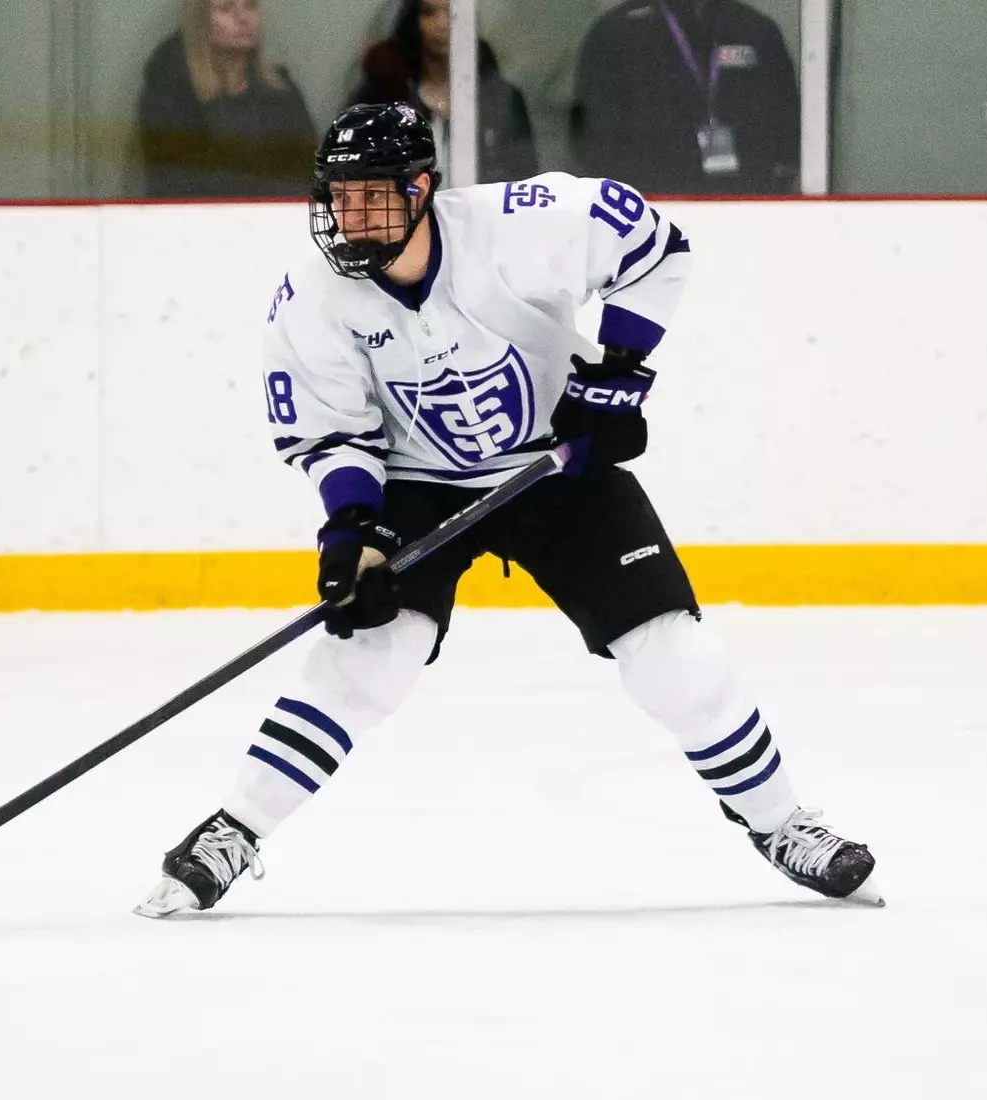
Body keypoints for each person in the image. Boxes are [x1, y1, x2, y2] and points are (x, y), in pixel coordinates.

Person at [136, 102, 878, 919]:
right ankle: (232, 831)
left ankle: (782, 825)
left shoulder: (522, 226)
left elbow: (656, 249)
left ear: (422, 189)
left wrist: (618, 371)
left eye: (370, 195)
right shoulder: (311, 301)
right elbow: (332, 434)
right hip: (418, 486)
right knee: (367, 664)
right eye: (337, 197)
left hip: (555, 466)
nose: (348, 216)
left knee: (676, 660)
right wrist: (353, 534)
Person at [569, 0, 799, 195]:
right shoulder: (615, 34)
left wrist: (765, 190)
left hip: (746, 208)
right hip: (651, 214)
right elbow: (594, 142)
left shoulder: (756, 30)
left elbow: (787, 130)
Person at [137, 0, 318, 198]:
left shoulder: (281, 91)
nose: (243, 18)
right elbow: (173, 178)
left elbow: (310, 170)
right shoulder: (172, 90)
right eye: (226, 8)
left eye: (250, 6)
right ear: (200, 21)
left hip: (278, 219)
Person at [350, 0, 539, 183]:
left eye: (452, 12)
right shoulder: (384, 95)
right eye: (429, 12)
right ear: (412, 19)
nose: (441, 24)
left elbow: (522, 178)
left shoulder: (502, 99)